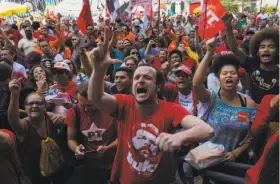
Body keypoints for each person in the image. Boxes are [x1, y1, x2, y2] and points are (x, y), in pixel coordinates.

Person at [88, 27, 214, 184]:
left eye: (147, 77)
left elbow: (207, 130)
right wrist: (98, 70)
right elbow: (96, 97)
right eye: (137, 77)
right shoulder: (124, 104)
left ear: (158, 86)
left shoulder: (170, 109)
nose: (140, 80)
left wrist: (180, 137)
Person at [193, 37, 257, 161]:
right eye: (224, 73)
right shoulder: (210, 99)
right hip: (208, 159)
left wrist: (236, 152)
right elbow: (196, 84)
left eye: (232, 73)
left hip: (236, 161)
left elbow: (252, 135)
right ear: (218, 79)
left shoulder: (248, 104)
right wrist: (209, 52)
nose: (228, 75)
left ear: (238, 78)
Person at [8, 79, 67, 184]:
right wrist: (14, 94)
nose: (34, 106)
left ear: (44, 106)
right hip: (35, 177)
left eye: (38, 103)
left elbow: (69, 124)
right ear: (25, 108)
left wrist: (64, 119)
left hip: (57, 170)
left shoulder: (49, 117)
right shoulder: (24, 126)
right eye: (30, 104)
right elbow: (13, 120)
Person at [222, 12, 279, 105]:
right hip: (250, 111)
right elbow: (235, 49)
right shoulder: (251, 63)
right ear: (257, 51)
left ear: (277, 51)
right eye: (262, 47)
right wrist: (228, 26)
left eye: (271, 47)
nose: (266, 50)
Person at [66, 82, 117, 184]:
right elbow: (71, 139)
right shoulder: (74, 111)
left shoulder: (112, 109)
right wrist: (76, 148)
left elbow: (123, 137)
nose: (86, 109)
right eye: (83, 105)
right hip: (89, 166)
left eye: (90, 105)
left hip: (113, 164)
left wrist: (108, 147)